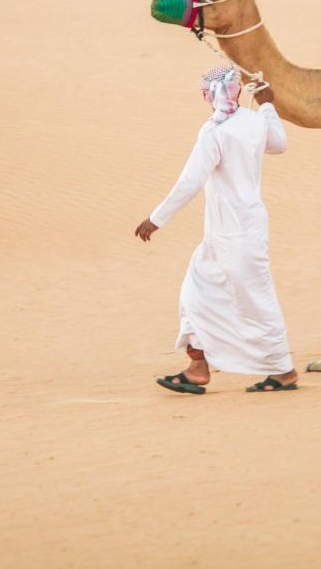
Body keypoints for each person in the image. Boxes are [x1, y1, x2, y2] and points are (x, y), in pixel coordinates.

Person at [134, 66, 299, 394]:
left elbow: (191, 180)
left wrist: (157, 218)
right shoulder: (253, 121)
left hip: (235, 232)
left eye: (205, 90)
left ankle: (283, 370)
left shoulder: (214, 132)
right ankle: (197, 367)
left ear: (212, 94)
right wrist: (266, 105)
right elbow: (279, 144)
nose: (203, 95)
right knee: (195, 292)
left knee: (255, 298)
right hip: (229, 231)